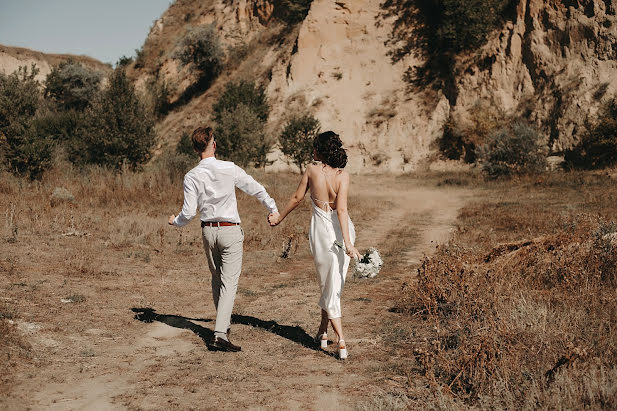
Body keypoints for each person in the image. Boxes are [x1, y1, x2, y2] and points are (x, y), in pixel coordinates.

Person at [168, 126, 279, 352]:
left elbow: (188, 212)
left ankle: (223, 326)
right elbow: (255, 188)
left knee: (217, 279)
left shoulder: (191, 176)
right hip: (229, 230)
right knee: (229, 283)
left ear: (195, 149)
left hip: (208, 231)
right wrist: (272, 207)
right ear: (214, 145)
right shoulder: (229, 168)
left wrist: (175, 222)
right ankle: (219, 335)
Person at [268, 131, 360, 360]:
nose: (312, 151)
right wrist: (348, 242)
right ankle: (322, 332)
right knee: (333, 283)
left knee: (330, 284)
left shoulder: (311, 170)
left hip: (322, 234)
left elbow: (297, 198)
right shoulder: (343, 176)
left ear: (320, 150)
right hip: (342, 230)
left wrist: (279, 218)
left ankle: (341, 340)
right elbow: (342, 210)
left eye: (314, 147)